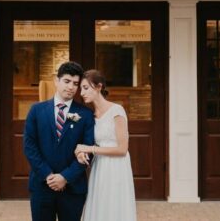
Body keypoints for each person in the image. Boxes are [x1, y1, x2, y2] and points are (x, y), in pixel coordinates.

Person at [24, 61, 95, 221]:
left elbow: (89, 151)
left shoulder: (86, 114)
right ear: (57, 81)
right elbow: (29, 146)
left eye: (75, 84)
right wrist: (48, 175)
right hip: (42, 185)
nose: (71, 87)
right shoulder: (36, 110)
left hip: (72, 188)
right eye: (67, 81)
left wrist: (65, 177)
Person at [75, 70, 137, 221]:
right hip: (100, 166)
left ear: (98, 87)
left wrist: (89, 149)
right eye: (81, 88)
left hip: (117, 167)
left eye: (85, 88)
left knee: (114, 205)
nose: (82, 93)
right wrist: (81, 152)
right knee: (100, 204)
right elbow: (90, 142)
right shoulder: (90, 115)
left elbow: (122, 149)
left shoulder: (116, 111)